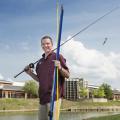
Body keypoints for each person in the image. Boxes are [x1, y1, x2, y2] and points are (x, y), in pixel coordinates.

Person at [25, 35, 70, 120]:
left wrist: (60, 67)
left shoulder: (58, 57)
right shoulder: (39, 63)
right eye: (43, 44)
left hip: (54, 97)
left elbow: (67, 75)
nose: (45, 46)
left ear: (52, 44)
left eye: (47, 43)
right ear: (41, 46)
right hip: (42, 98)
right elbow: (39, 79)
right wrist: (30, 73)